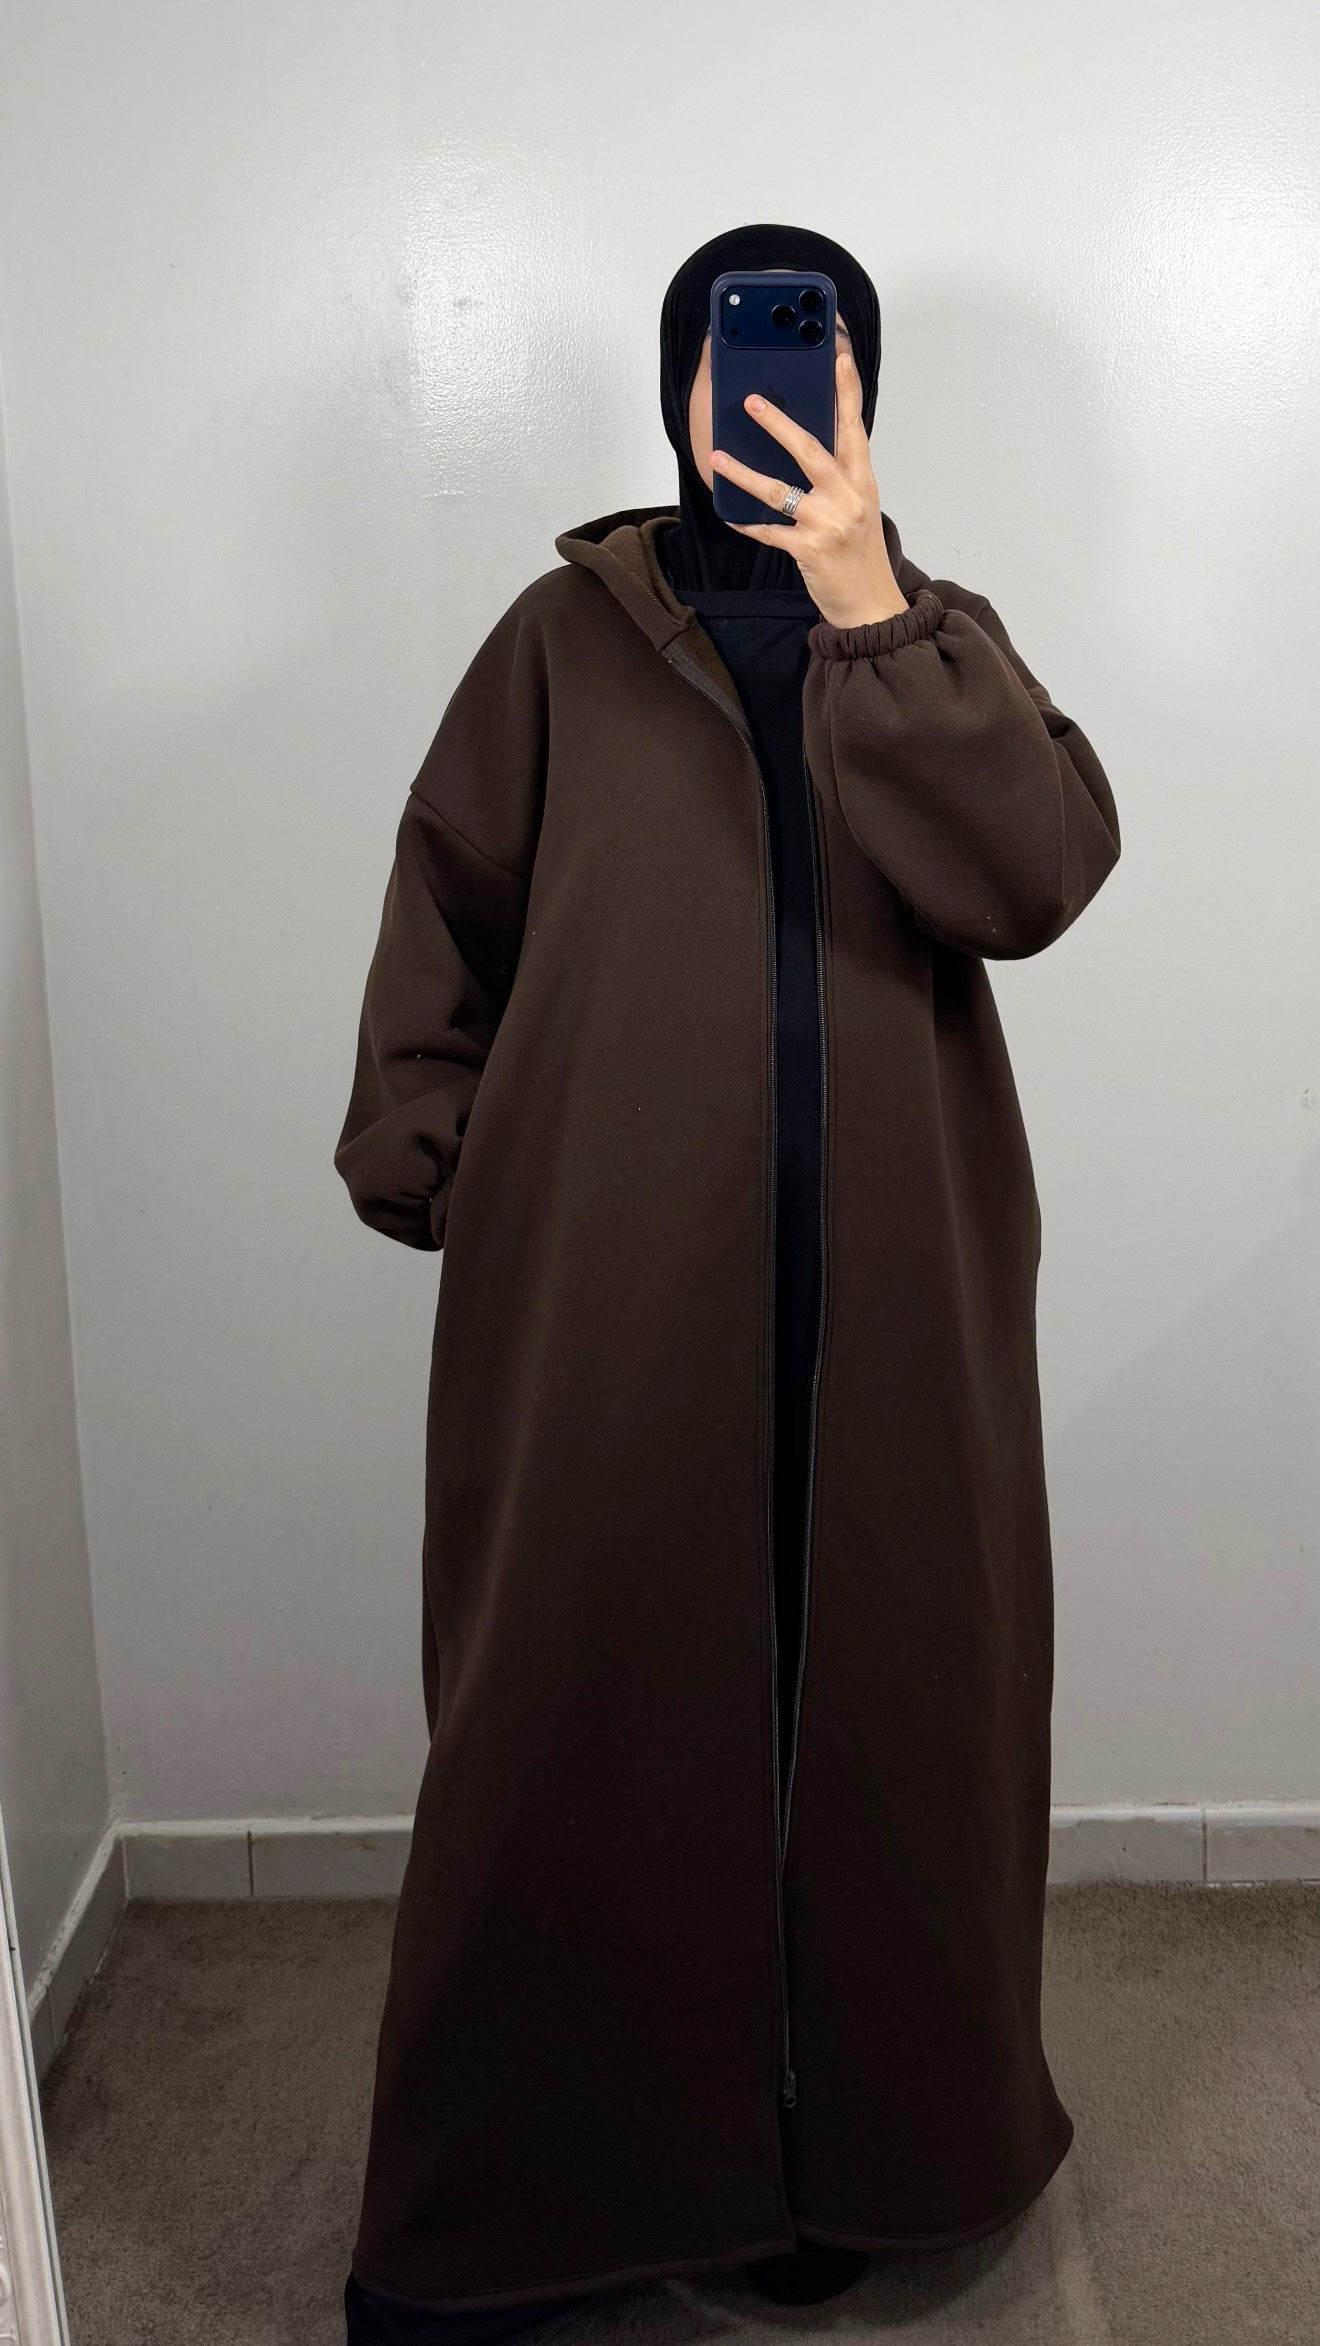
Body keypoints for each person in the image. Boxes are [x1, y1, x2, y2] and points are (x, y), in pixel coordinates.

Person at [334, 222, 1121, 2344]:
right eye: (731, 345)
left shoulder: (935, 641)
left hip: (898, 1285)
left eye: (810, 346)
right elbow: (449, 897)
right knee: (580, 1711)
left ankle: (842, 2147)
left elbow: (1040, 875)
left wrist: (871, 605)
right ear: (679, 379)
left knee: (883, 1707)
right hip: (612, 1269)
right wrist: (436, 1153)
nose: (766, 383)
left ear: (859, 389)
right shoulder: (559, 643)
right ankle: (521, 2197)